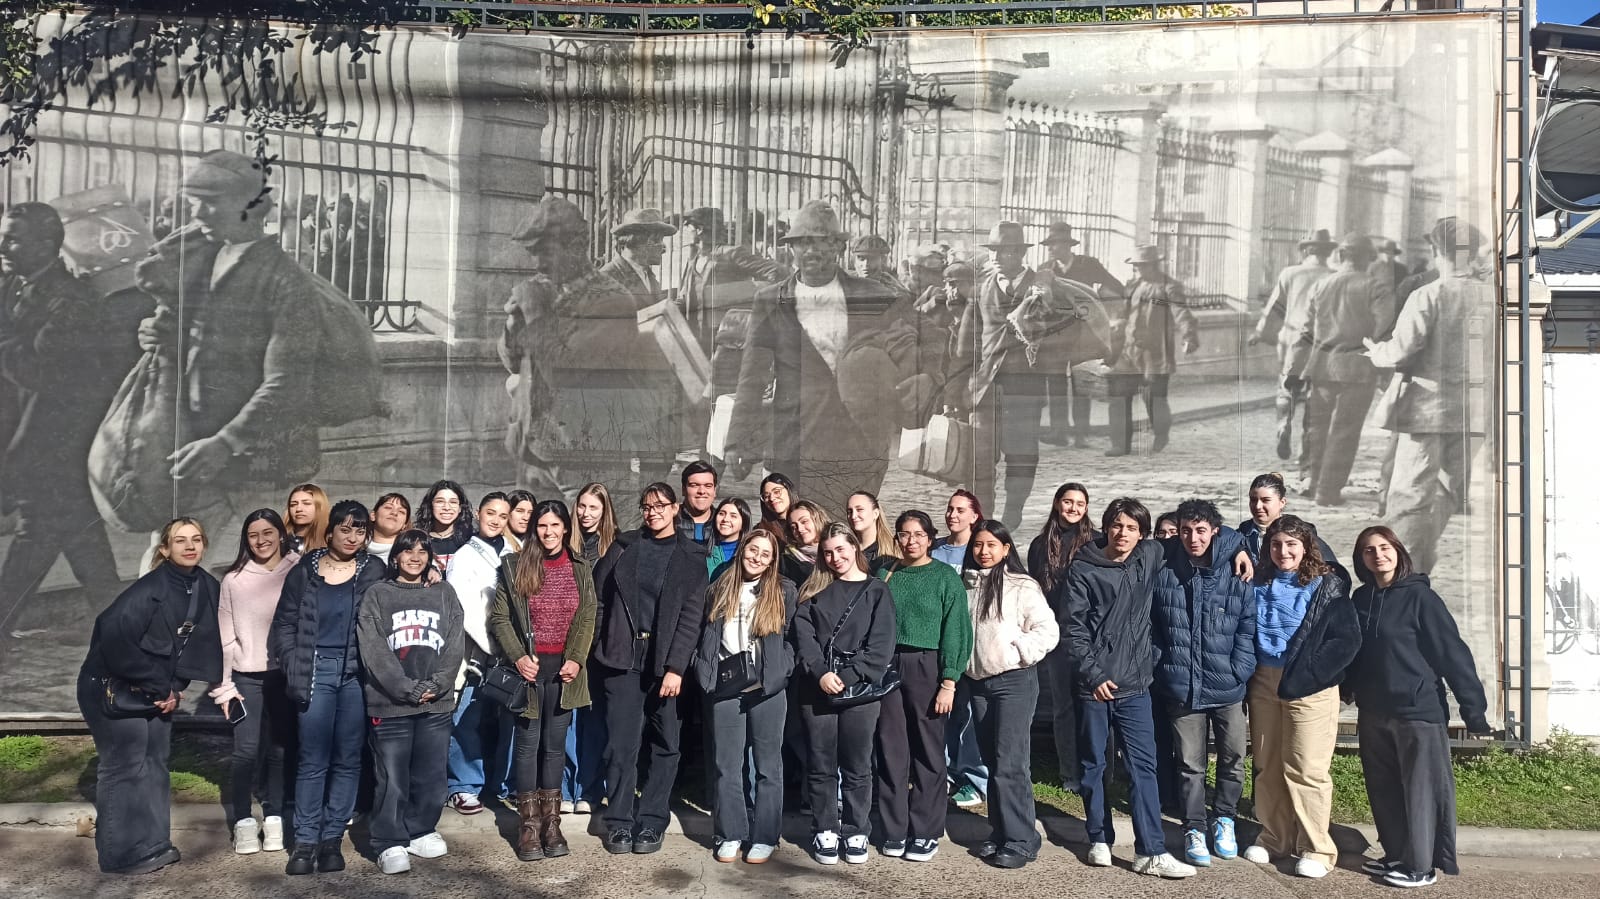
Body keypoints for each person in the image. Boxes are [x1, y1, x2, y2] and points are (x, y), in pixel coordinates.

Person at [724, 200, 913, 513]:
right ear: (792, 249)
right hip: (795, 438)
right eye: (803, 243)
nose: (811, 250)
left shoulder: (872, 295)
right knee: (795, 526)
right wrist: (737, 438)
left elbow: (905, 348)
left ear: (838, 246)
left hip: (857, 439)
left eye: (821, 242)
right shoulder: (770, 300)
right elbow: (752, 375)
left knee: (844, 528)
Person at [0, 201, 122, 640]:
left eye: (14, 239)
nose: (3, 247)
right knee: (76, 530)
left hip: (57, 438)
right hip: (27, 433)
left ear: (47, 244)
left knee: (40, 528)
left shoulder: (71, 299)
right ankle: (122, 626)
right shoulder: (13, 286)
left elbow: (41, 370)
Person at [1348, 526, 1491, 888]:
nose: (1378, 555)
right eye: (1369, 550)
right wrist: (1346, 688)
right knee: (1384, 789)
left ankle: (1421, 867)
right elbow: (1354, 652)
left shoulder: (1421, 599)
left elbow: (1452, 653)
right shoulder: (1361, 599)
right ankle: (1397, 854)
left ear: (1398, 551)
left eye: (1384, 547)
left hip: (1417, 711)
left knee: (1421, 791)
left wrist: (1474, 711)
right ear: (1361, 559)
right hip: (1374, 711)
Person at [499, 197, 674, 494]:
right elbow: (514, 364)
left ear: (577, 247)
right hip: (535, 447)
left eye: (546, 252)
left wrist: (535, 314)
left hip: (585, 452)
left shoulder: (611, 298)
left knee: (591, 524)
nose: (537, 263)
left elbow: (566, 373)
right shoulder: (547, 290)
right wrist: (513, 326)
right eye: (533, 252)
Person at [76, 518, 221, 875]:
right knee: (125, 766)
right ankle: (119, 854)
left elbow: (198, 646)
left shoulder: (206, 586)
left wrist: (174, 689)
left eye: (196, 539)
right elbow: (113, 638)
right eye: (180, 540)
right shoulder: (149, 589)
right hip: (110, 686)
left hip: (155, 689)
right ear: (165, 549)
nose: (190, 546)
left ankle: (153, 844)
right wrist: (161, 687)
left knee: (154, 763)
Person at [1063, 497, 1196, 878]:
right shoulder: (1083, 569)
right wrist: (1093, 676)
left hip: (1136, 685)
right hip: (1094, 686)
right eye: (1117, 525)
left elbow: (1199, 538)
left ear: (1143, 534)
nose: (1123, 533)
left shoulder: (1149, 554)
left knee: (1143, 768)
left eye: (1132, 528)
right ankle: (1098, 839)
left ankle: (1150, 851)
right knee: (1094, 764)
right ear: (1107, 527)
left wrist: (1238, 552)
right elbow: (1072, 629)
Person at [1362, 218, 1494, 572]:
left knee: (1411, 493)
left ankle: (1400, 569)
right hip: (1474, 411)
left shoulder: (1430, 294)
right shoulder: (1492, 296)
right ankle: (1419, 558)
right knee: (1448, 490)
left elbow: (1402, 350)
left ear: (1437, 251)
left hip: (1427, 410)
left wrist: (1377, 352)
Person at [955, 221, 1104, 524]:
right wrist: (955, 392)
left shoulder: (1047, 286)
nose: (998, 256)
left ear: (1020, 253)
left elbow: (1070, 330)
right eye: (994, 250)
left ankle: (1012, 514)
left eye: (1006, 250)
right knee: (979, 459)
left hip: (1025, 389)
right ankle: (983, 518)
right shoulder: (981, 289)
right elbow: (964, 347)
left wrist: (1049, 357)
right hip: (984, 389)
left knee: (1021, 458)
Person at [270, 500, 386, 876]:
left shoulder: (373, 570)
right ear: (330, 530)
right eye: (345, 529)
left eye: (359, 531)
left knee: (348, 758)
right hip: (315, 671)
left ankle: (332, 839)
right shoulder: (305, 569)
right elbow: (285, 623)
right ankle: (304, 842)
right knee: (312, 758)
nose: (352, 537)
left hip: (355, 675)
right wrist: (293, 663)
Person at [1243, 514, 1362, 878]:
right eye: (1276, 544)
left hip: (1309, 686)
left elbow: (1346, 640)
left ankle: (1316, 848)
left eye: (1291, 544)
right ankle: (1274, 838)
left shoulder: (1327, 585)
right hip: (1264, 681)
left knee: (1306, 768)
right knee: (1267, 765)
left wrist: (1311, 674)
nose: (1283, 551)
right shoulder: (1258, 580)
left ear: (1306, 547)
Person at [593, 483, 709, 854]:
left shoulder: (692, 557)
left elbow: (691, 617)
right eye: (647, 506)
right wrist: (601, 644)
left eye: (660, 506)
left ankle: (653, 821)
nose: (653, 512)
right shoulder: (624, 548)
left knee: (666, 745)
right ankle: (619, 822)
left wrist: (676, 667)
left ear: (676, 508)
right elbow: (598, 600)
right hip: (623, 660)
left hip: (665, 665)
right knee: (621, 747)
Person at [1150, 499, 1256, 867]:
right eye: (1185, 531)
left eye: (1200, 531)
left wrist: (1239, 669)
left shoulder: (1236, 571)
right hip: (1183, 686)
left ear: (1214, 532)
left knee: (1233, 758)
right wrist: (1163, 664)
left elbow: (1247, 624)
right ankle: (1194, 826)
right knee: (1189, 764)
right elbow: (1152, 625)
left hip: (1228, 686)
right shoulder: (1165, 568)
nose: (1193, 538)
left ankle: (1224, 818)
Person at [490, 500, 597, 862]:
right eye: (542, 526)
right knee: (527, 746)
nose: (548, 532)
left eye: (555, 525)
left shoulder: (580, 567)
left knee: (554, 747)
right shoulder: (515, 565)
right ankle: (529, 826)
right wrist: (519, 656)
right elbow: (500, 617)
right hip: (529, 672)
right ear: (534, 529)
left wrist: (577, 658)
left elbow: (587, 615)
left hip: (564, 672)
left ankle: (552, 824)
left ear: (566, 528)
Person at [355, 530, 465, 875]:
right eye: (408, 551)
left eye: (422, 551)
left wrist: (438, 684)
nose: (415, 557)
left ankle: (420, 829)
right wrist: (407, 689)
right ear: (395, 557)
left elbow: (455, 643)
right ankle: (387, 840)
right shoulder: (378, 594)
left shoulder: (444, 593)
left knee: (431, 775)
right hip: (391, 705)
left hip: (436, 703)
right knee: (392, 777)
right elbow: (374, 650)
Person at [793, 523, 897, 866]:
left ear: (854, 547)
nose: (835, 557)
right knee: (821, 764)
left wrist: (847, 676)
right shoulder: (812, 591)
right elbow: (803, 637)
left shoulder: (877, 591)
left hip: (861, 693)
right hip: (816, 690)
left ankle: (856, 829)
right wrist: (821, 673)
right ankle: (824, 827)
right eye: (827, 552)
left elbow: (881, 645)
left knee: (857, 766)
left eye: (840, 549)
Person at [872, 511, 972, 862]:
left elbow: (956, 629)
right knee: (891, 749)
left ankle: (926, 831)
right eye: (904, 534)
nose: (910, 541)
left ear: (930, 539)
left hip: (927, 666)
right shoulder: (885, 573)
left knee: (928, 751)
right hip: (888, 665)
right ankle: (894, 829)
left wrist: (949, 681)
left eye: (918, 534)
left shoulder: (945, 577)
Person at [695, 530, 798, 864]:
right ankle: (730, 833)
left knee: (768, 766)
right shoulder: (720, 587)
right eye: (753, 550)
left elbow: (794, 638)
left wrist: (782, 669)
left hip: (767, 688)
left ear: (772, 561)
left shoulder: (783, 590)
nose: (757, 557)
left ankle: (765, 836)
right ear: (742, 550)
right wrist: (703, 667)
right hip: (727, 685)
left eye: (765, 554)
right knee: (727, 765)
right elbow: (705, 633)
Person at [961, 520, 1058, 869]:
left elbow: (1047, 630)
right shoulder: (966, 584)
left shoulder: (1021, 585)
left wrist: (1020, 651)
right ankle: (1001, 831)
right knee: (992, 762)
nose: (984, 551)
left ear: (1005, 549)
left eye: (991, 545)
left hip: (1013, 682)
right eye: (978, 545)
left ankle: (1022, 840)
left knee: (1010, 762)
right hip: (978, 684)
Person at [210, 510, 300, 856]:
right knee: (246, 751)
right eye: (253, 535)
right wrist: (225, 687)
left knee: (279, 750)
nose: (261, 541)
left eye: (267, 533)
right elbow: (225, 639)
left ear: (280, 534)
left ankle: (274, 817)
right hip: (246, 678)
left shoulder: (298, 569)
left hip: (285, 675)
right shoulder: (233, 580)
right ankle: (244, 821)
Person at [1297, 233, 1390, 506]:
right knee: (1345, 431)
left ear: (1340, 255)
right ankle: (1328, 490)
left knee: (1317, 428)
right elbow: (1383, 329)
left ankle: (1313, 482)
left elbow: (1306, 329)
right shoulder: (1376, 287)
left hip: (1321, 366)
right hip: (1358, 369)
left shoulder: (1321, 285)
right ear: (1368, 258)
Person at [443, 492, 518, 816]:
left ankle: (507, 784)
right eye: (491, 513)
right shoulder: (464, 555)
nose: (496, 520)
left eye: (503, 515)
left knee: (511, 719)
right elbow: (465, 607)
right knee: (465, 718)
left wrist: (512, 646)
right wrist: (494, 644)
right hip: (475, 651)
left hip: (510, 652)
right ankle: (463, 785)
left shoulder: (515, 551)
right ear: (478, 513)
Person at [1027, 482, 1095, 791]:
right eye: (1068, 501)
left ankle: (1098, 770)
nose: (1073, 508)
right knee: (1064, 707)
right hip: (1057, 637)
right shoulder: (1040, 545)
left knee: (1094, 705)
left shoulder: (1096, 542)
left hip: (1091, 635)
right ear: (1057, 503)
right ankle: (1070, 773)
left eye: (1080, 503)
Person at [1250, 228, 1335, 463]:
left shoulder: (1290, 273)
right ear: (1328, 252)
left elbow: (1275, 308)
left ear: (1305, 250)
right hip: (1322, 344)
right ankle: (1305, 449)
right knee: (1315, 396)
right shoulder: (1334, 276)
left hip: (1291, 342)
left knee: (1287, 388)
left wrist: (1261, 333)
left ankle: (1283, 424)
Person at [1104, 245, 1198, 457]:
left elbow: (1181, 313)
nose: (1138, 269)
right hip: (1129, 350)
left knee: (1154, 399)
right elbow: (1125, 312)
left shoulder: (1169, 287)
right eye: (1136, 266)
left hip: (1155, 354)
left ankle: (1161, 434)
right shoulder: (1133, 285)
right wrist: (1118, 324)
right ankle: (1120, 444)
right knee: (1118, 395)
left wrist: (1189, 336)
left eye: (1142, 265)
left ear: (1154, 265)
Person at [1039, 221, 1124, 449]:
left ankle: (1080, 434)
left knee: (1081, 382)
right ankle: (1059, 432)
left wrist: (1105, 308)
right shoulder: (1045, 269)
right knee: (1056, 384)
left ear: (1067, 245)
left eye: (1054, 244)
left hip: (1084, 335)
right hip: (1055, 335)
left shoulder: (1088, 265)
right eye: (1048, 245)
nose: (1050, 248)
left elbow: (1115, 286)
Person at [930, 489, 987, 808]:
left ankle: (974, 779)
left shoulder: (980, 550)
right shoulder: (935, 550)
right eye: (950, 509)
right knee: (942, 713)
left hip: (972, 645)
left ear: (974, 516)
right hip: (938, 645)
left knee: (968, 716)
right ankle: (945, 774)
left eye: (961, 510)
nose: (953, 515)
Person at [564, 481, 617, 814]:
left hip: (599, 644)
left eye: (593, 507)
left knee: (595, 720)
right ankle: (564, 789)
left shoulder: (615, 547)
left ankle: (589, 790)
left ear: (604, 510)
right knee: (566, 720)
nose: (586, 513)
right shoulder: (564, 544)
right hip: (564, 643)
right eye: (581, 506)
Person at [1237, 472, 1335, 563]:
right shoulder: (1238, 537)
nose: (1258, 506)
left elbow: (1331, 571)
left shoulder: (1303, 534)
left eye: (1265, 500)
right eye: (1253, 500)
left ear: (1282, 502)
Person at [417, 480, 474, 574]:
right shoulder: (418, 540)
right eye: (440, 501)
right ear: (430, 505)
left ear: (460, 508)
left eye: (453, 502)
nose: (447, 507)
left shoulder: (470, 541)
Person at [779, 500, 830, 587]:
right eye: (793, 527)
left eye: (804, 521)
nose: (799, 529)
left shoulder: (838, 550)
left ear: (818, 520)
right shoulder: (787, 562)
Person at [846, 491, 900, 565]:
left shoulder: (893, 552)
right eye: (849, 512)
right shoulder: (845, 550)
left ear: (875, 513)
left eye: (859, 510)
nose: (853, 516)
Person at [675, 460, 719, 548]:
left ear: (715, 491)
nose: (702, 491)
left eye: (708, 486)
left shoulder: (724, 522)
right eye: (694, 485)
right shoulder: (670, 520)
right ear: (683, 489)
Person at [706, 497, 752, 578]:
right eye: (721, 514)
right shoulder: (702, 550)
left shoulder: (750, 554)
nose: (725, 519)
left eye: (733, 516)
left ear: (744, 523)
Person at [284, 484, 330, 555]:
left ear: (320, 507)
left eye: (306, 503)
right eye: (293, 504)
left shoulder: (332, 543)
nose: (298, 509)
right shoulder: (280, 542)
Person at [367, 493, 412, 565]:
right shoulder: (353, 549)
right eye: (388, 507)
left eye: (401, 511)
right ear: (373, 515)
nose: (394, 513)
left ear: (405, 525)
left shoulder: (412, 556)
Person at [755, 473, 797, 546]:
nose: (772, 498)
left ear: (789, 490)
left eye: (777, 492)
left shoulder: (808, 521)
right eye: (766, 496)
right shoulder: (760, 531)